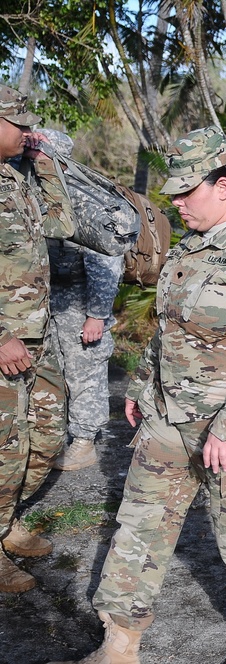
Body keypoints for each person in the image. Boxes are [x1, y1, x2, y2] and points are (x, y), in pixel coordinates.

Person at [63, 126, 226, 664]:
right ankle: (119, 645)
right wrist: (145, 387)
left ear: (223, 187)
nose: (174, 202)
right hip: (168, 421)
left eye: (184, 191)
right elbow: (167, 329)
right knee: (139, 527)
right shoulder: (188, 248)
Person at [0, 85, 74, 593]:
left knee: (45, 432)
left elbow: (63, 222)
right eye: (18, 124)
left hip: (37, 335)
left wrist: (43, 162)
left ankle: (7, 522)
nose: (27, 132)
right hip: (6, 339)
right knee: (3, 446)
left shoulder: (15, 178)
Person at [35, 129, 125, 472]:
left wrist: (97, 314)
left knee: (84, 371)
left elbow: (105, 259)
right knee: (55, 370)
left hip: (80, 299)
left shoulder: (83, 196)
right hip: (50, 299)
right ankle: (58, 434)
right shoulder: (37, 192)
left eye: (40, 156)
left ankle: (85, 440)